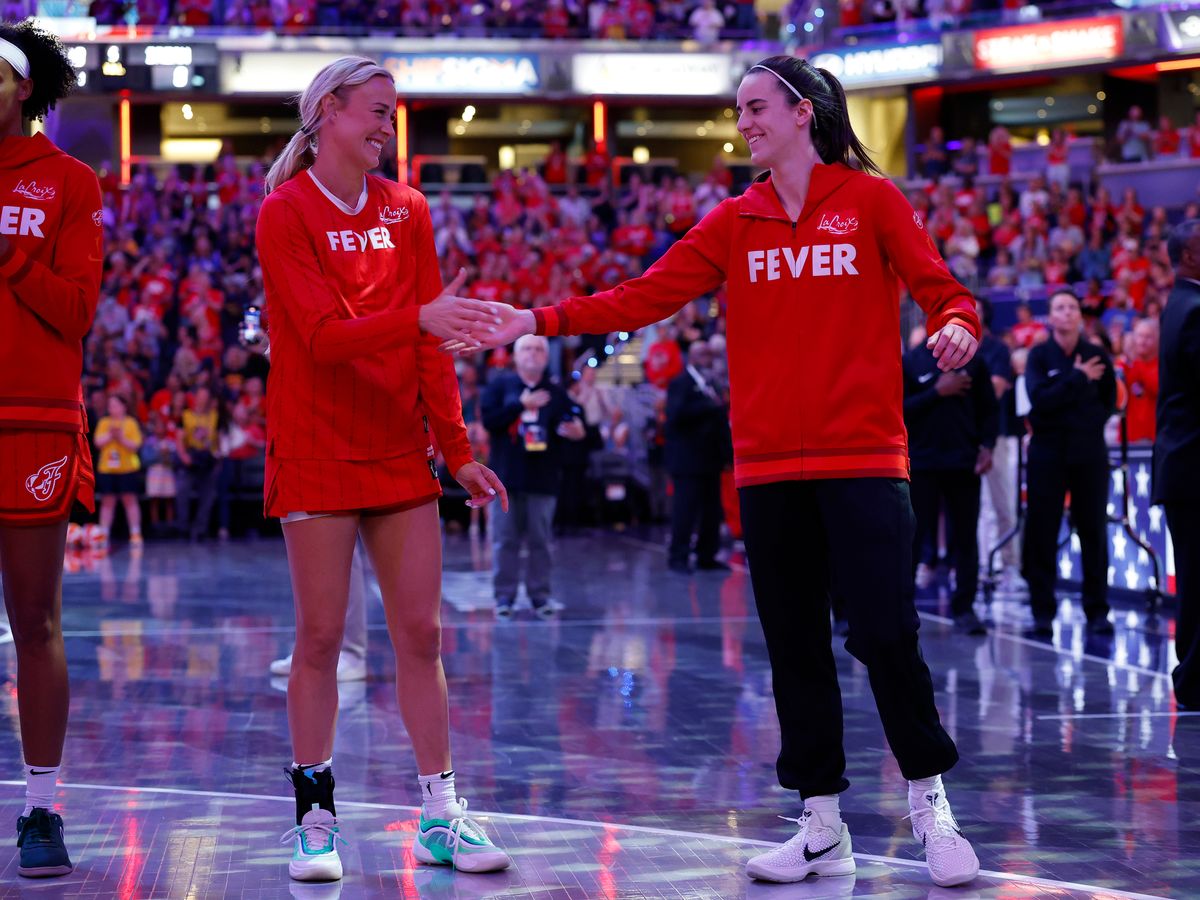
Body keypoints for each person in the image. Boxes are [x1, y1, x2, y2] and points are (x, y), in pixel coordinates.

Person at [451, 55, 982, 889]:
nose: (743, 124)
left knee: (885, 634)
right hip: (768, 469)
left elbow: (943, 289)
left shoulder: (873, 201)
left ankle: (930, 803)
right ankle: (820, 824)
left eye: (755, 108)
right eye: (738, 112)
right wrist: (539, 319)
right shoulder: (735, 221)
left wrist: (955, 323)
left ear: (804, 111)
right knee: (794, 646)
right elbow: (642, 296)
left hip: (864, 458)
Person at [254, 56, 512, 883]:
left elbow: (432, 344)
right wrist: (420, 318)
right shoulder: (284, 212)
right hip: (317, 442)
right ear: (327, 111)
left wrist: (460, 450)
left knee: (421, 636)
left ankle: (440, 815)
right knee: (322, 637)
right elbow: (324, 338)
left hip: (400, 449)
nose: (386, 129)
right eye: (374, 112)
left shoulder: (410, 209)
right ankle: (315, 819)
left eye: (393, 116)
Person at [0, 20, 103, 879]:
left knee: (34, 620)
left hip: (31, 419)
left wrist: (11, 259)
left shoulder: (70, 181)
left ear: (23, 87)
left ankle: (41, 808)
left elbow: (77, 310)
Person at [1021, 291, 1116, 638]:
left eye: (1072, 307)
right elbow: (1039, 401)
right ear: (1050, 317)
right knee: (1041, 531)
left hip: (1088, 452)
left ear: (1080, 316)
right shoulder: (1038, 355)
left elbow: (1109, 401)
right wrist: (1076, 379)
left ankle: (1097, 611)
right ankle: (1042, 612)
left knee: (1093, 530)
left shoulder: (1096, 354)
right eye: (1059, 307)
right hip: (1047, 453)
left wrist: (1081, 418)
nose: (1067, 312)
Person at [480, 334, 587, 618]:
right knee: (505, 540)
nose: (533, 353)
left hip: (543, 478)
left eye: (539, 348)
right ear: (516, 356)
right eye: (527, 348)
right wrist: (521, 405)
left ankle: (540, 596)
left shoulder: (555, 391)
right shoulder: (500, 385)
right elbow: (490, 421)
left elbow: (573, 419)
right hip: (505, 478)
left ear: (546, 356)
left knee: (541, 541)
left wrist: (577, 430)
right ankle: (504, 597)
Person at [903, 336, 998, 635]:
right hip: (922, 463)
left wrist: (988, 445)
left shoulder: (973, 359)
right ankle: (903, 611)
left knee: (966, 538)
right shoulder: (911, 360)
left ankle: (965, 609)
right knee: (912, 539)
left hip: (963, 461)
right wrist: (937, 392)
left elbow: (989, 408)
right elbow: (900, 409)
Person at [1155, 219, 1200, 707]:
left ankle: (1190, 679)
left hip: (1181, 465)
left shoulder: (1179, 305)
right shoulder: (1195, 309)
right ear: (1189, 255)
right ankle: (1191, 679)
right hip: (1192, 468)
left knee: (1192, 579)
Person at [665, 340, 732, 574]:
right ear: (691, 356)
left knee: (712, 511)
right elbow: (675, 415)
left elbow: (721, 420)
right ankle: (678, 556)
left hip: (710, 459)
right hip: (687, 460)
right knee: (685, 510)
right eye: (702, 353)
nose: (708, 357)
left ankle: (707, 555)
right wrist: (708, 406)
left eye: (709, 354)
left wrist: (727, 453)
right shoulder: (680, 383)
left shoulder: (713, 384)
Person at [93, 393, 144, 545]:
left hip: (127, 468)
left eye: (115, 405)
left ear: (124, 407)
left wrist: (121, 438)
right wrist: (111, 435)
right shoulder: (104, 422)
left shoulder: (131, 423)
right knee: (107, 501)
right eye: (110, 405)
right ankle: (104, 534)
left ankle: (135, 532)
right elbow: (97, 442)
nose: (112, 408)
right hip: (107, 468)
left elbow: (135, 445)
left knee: (130, 500)